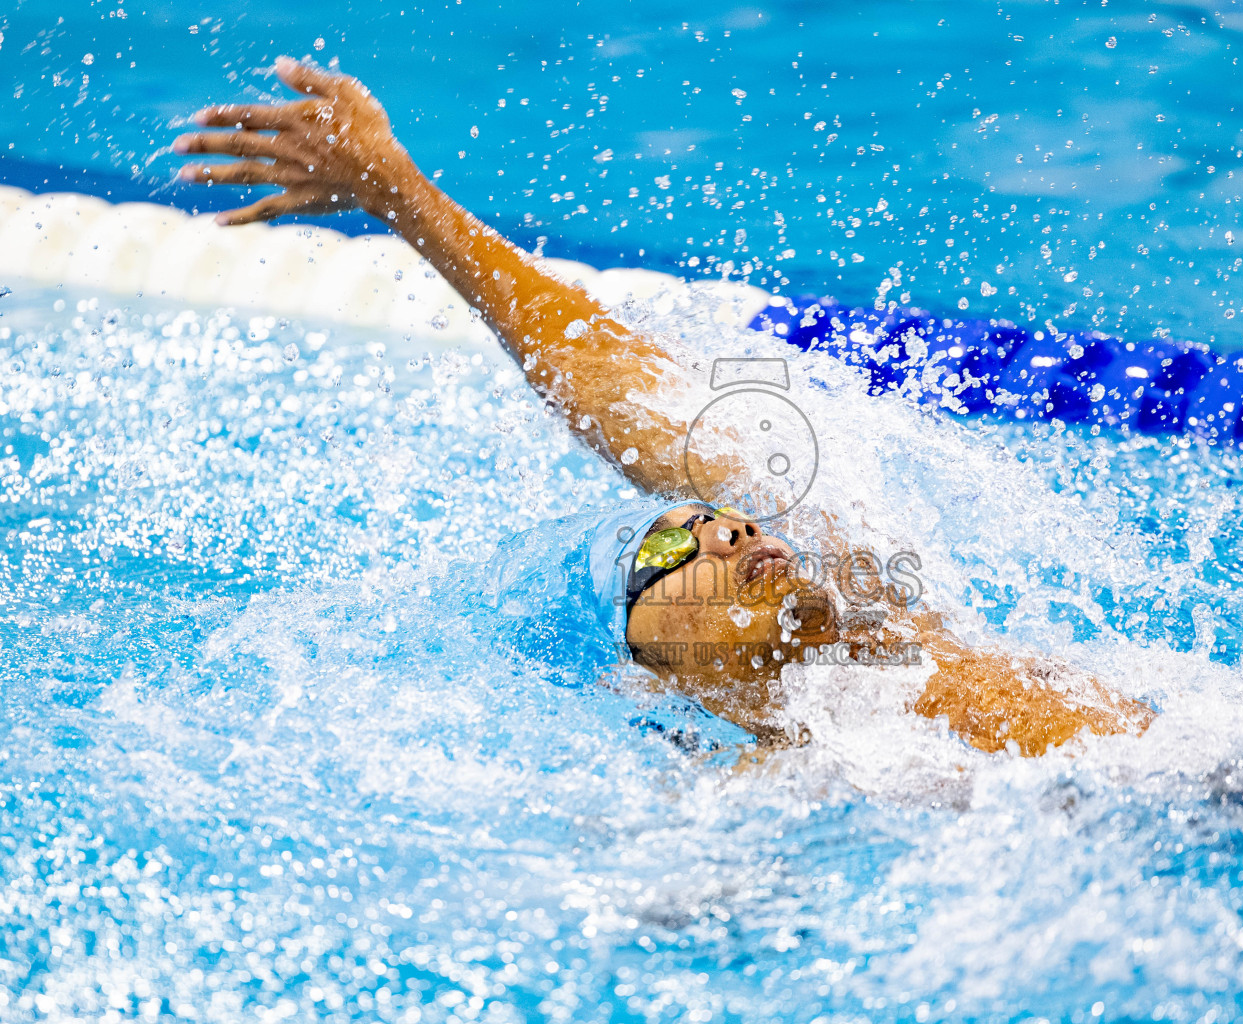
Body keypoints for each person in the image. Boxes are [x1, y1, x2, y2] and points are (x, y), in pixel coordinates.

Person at [172, 57, 1153, 757]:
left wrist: (399, 191)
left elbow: (615, 386)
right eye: (675, 554)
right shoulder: (784, 777)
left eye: (719, 522)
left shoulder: (870, 601)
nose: (725, 533)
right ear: (665, 669)